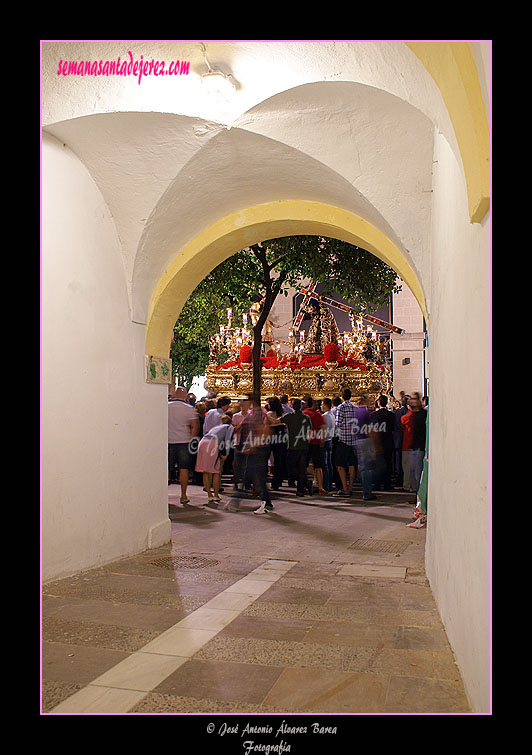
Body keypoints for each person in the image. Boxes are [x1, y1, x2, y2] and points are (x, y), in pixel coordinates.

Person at [239, 395, 274, 514]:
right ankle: (266, 501)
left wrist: (254, 445)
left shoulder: (259, 413)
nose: (242, 403)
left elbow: (264, 430)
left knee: (258, 476)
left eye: (244, 400)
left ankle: (265, 502)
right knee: (251, 474)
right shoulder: (253, 413)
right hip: (255, 448)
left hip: (259, 449)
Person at [168, 386, 200, 505]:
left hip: (168, 441)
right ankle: (183, 495)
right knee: (183, 468)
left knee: (167, 469)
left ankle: (163, 495)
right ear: (185, 396)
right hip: (183, 442)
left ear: (174, 394)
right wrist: (191, 437)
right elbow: (195, 426)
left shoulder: (165, 406)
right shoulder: (189, 409)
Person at [195, 414, 234, 505]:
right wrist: (226, 453)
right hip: (213, 443)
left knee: (206, 470)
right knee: (216, 471)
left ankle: (209, 495)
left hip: (203, 443)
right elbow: (227, 440)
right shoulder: (229, 427)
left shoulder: (216, 428)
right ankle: (216, 494)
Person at [282, 398, 312, 496]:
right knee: (301, 468)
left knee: (291, 466)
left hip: (293, 446)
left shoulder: (289, 416)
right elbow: (310, 432)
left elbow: (276, 421)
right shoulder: (306, 417)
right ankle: (303, 484)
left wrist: (266, 416)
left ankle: (301, 486)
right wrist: (308, 441)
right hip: (303, 446)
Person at [334, 388, 358, 497]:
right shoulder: (355, 408)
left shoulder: (341, 407)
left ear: (342, 397)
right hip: (354, 440)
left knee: (340, 465)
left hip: (344, 439)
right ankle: (351, 486)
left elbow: (338, 423)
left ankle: (345, 488)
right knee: (352, 464)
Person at [303, 395, 327, 495]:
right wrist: (322, 440)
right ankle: (320, 487)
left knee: (303, 465)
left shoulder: (304, 414)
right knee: (318, 466)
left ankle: (304, 485)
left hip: (305, 443)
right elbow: (324, 428)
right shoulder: (318, 415)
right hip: (316, 442)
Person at [354, 394, 376, 501]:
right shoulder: (367, 412)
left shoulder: (355, 412)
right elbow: (369, 430)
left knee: (362, 467)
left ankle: (364, 490)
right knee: (367, 467)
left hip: (357, 440)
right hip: (365, 440)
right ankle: (367, 493)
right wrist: (373, 445)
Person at [370, 395, 395, 490]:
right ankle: (387, 484)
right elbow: (393, 428)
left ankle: (376, 484)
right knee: (388, 463)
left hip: (377, 441)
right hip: (388, 440)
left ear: (378, 403)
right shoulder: (391, 415)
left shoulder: (373, 415)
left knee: (377, 464)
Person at [403, 397, 426, 494]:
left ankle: (413, 488)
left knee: (412, 470)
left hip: (413, 445)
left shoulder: (409, 417)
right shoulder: (422, 415)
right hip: (417, 445)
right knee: (415, 469)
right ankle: (416, 488)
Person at [265, 396, 287, 491]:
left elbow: (266, 425)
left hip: (272, 435)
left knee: (266, 457)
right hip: (281, 436)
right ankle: (277, 481)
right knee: (279, 459)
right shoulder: (282, 413)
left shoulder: (269, 414)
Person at [231, 397, 251, 491]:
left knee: (247, 463)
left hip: (248, 441)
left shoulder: (251, 415)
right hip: (238, 441)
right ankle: (236, 480)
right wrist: (242, 423)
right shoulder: (236, 416)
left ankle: (247, 482)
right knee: (237, 462)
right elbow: (234, 429)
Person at [393, 395, 409, 488]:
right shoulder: (408, 412)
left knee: (398, 462)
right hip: (406, 439)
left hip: (398, 439)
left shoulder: (397, 412)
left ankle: (399, 480)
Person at [321, 397, 336, 492]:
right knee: (329, 464)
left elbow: (323, 430)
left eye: (322, 404)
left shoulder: (325, 416)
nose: (321, 406)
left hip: (325, 440)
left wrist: (321, 441)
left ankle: (326, 484)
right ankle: (330, 483)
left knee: (325, 464)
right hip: (330, 439)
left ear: (326, 405)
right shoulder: (332, 415)